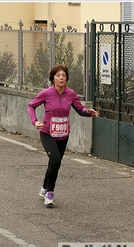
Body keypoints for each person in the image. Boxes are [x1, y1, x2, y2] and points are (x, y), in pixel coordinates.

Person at [27, 64, 98, 207]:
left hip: (63, 134)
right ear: (53, 78)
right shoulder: (46, 93)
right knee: (55, 160)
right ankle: (50, 192)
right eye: (58, 75)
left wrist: (88, 112)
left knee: (54, 163)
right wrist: (35, 121)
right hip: (47, 132)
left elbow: (80, 109)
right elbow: (31, 106)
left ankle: (44, 186)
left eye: (64, 75)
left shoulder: (71, 94)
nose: (61, 78)